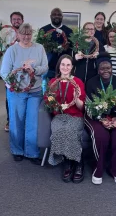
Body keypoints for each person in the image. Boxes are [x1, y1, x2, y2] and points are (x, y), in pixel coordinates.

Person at [0, 23, 48, 163]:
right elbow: (4, 72)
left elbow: (45, 67)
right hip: (17, 91)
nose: (26, 36)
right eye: (23, 33)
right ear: (18, 35)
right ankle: (17, 150)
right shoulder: (12, 50)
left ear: (32, 34)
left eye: (29, 33)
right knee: (17, 120)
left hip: (35, 91)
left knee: (33, 121)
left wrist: (34, 69)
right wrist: (13, 82)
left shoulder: (39, 48)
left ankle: (31, 152)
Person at [85, 52, 116, 185]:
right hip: (96, 117)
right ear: (98, 69)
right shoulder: (91, 83)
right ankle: (98, 169)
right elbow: (88, 105)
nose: (105, 71)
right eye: (102, 68)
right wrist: (101, 119)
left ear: (112, 68)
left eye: (108, 68)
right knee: (100, 136)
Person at [46, 55, 86, 183]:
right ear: (59, 66)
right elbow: (49, 104)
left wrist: (77, 99)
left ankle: (78, 162)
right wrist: (52, 101)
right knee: (58, 130)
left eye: (68, 65)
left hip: (75, 115)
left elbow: (82, 107)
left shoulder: (78, 82)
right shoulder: (53, 82)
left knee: (69, 130)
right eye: (63, 64)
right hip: (59, 115)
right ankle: (68, 162)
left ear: (72, 67)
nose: (65, 67)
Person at [4, 11, 24, 132]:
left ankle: (22, 120)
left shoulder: (27, 34)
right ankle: (10, 120)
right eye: (14, 19)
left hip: (25, 72)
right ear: (11, 21)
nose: (16, 21)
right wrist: (14, 41)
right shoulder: (6, 34)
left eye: (19, 19)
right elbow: (4, 49)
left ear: (22, 20)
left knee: (23, 96)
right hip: (11, 72)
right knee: (10, 97)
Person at [40, 8, 73, 79]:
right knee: (49, 89)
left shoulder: (69, 31)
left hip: (64, 68)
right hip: (48, 67)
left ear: (62, 17)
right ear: (50, 16)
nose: (57, 16)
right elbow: (39, 48)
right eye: (54, 14)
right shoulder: (43, 30)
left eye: (59, 15)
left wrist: (68, 46)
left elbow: (73, 48)